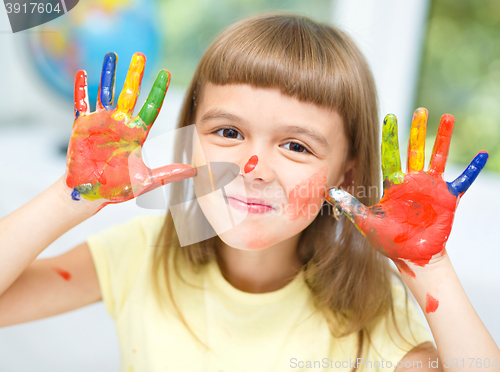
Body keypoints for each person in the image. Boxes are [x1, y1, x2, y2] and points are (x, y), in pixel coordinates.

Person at [0, 11, 498, 372]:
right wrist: (71, 196)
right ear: (191, 140)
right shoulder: (139, 256)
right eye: (229, 133)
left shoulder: (370, 314)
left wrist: (429, 268)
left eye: (297, 146)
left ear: (346, 174)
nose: (253, 169)